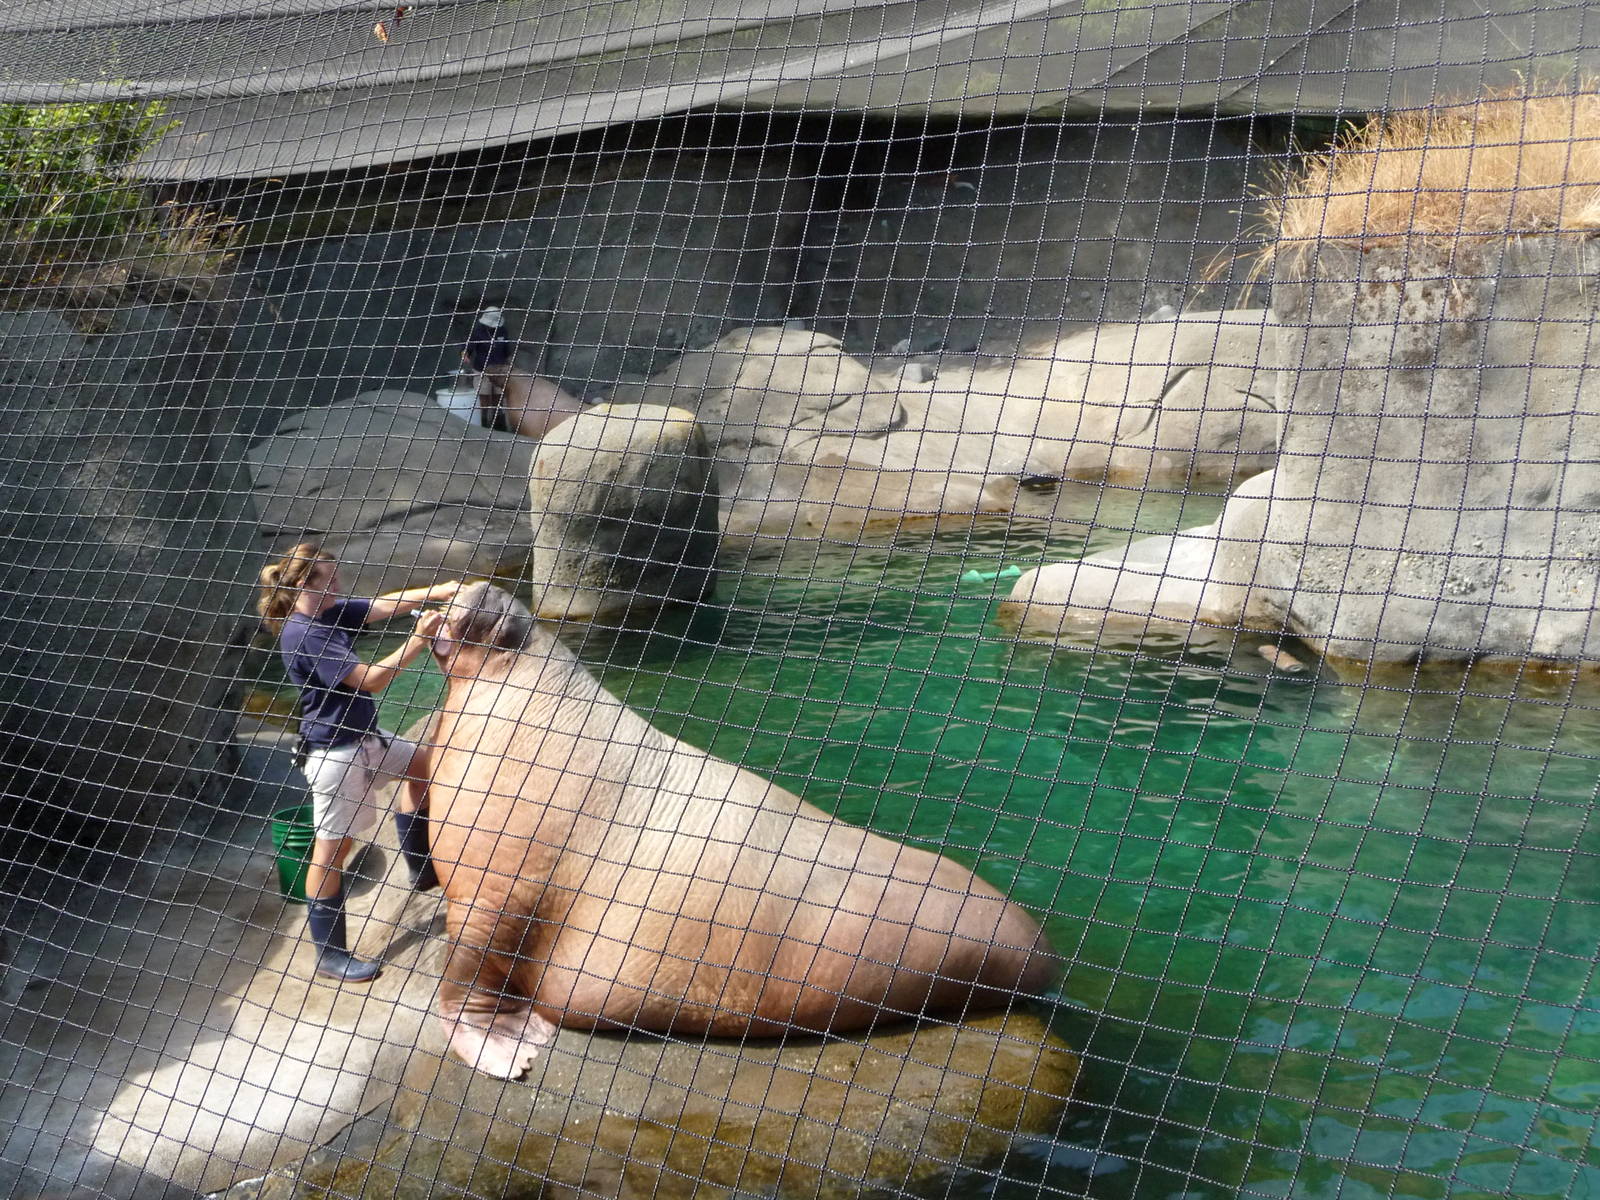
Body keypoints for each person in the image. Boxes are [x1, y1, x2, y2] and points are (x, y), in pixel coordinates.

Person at [256, 543, 461, 983]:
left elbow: (382, 605)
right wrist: (420, 640)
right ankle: (330, 955)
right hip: (335, 754)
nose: (338, 585)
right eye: (328, 579)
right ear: (300, 586)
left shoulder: (327, 611)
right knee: (333, 851)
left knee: (422, 766)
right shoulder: (304, 632)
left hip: (369, 739)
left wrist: (440, 590)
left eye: (336, 576)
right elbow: (371, 680)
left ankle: (419, 868)